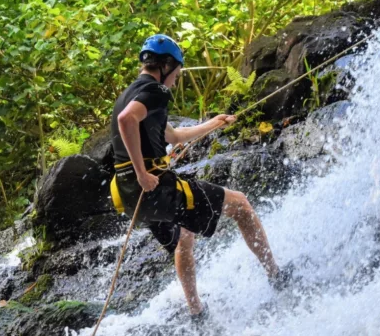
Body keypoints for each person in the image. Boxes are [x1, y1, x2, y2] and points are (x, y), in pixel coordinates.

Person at [108, 34, 290, 316]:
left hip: (131, 196)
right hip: (152, 186)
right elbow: (126, 120)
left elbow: (173, 135)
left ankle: (196, 312)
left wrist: (213, 124)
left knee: (184, 235)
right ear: (166, 65)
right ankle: (277, 277)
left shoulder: (129, 94)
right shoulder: (156, 91)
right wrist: (143, 172)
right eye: (177, 74)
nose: (176, 81)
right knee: (241, 204)